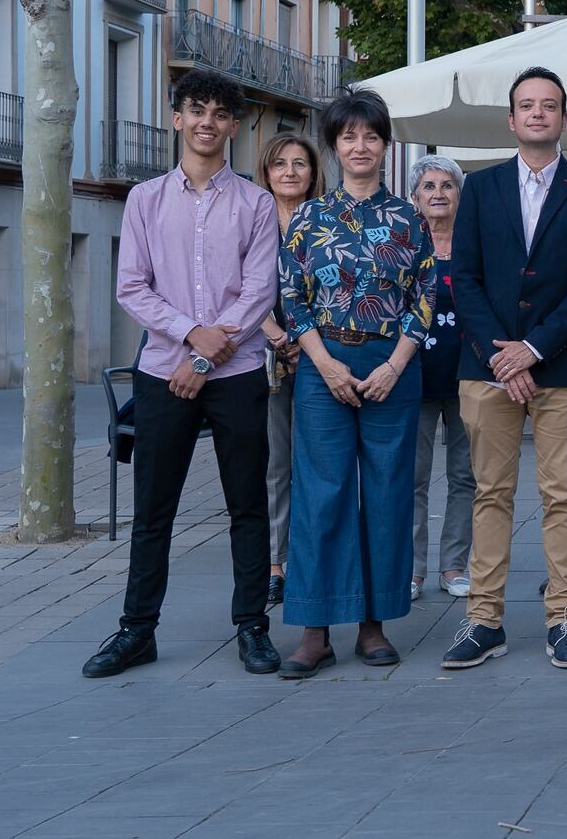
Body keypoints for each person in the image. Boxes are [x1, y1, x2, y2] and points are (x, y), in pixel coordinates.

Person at [85, 69, 281, 680]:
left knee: (247, 504)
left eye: (220, 114)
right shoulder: (145, 200)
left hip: (236, 373)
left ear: (233, 126)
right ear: (177, 118)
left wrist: (202, 357)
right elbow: (131, 288)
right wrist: (191, 338)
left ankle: (252, 626)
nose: (206, 122)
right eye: (196, 110)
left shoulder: (256, 203)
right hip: (161, 373)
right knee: (153, 507)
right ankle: (136, 631)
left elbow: (259, 292)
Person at [439, 67, 567, 673]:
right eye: (526, 106)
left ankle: (562, 618)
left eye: (549, 106)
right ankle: (483, 620)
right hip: (486, 367)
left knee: (563, 494)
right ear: (511, 120)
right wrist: (499, 352)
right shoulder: (480, 188)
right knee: (491, 492)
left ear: (563, 119)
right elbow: (464, 278)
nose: (538, 114)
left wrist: (532, 349)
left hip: (561, 367)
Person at [276, 87, 436, 678]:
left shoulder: (409, 218)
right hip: (325, 367)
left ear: (385, 145)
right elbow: (293, 299)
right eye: (349, 136)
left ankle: (374, 624)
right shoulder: (310, 219)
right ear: (335, 146)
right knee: (322, 493)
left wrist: (395, 364)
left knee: (389, 494)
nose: (360, 146)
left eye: (371, 136)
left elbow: (424, 296)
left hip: (394, 366)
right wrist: (324, 364)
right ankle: (315, 629)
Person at [254, 133, 320, 609]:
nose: (291, 172)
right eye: (281, 164)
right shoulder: (252, 220)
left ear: (314, 172)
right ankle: (276, 564)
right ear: (267, 172)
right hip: (265, 355)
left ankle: (314, 559)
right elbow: (231, 284)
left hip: (322, 355)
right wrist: (278, 335)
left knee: (321, 463)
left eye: (300, 163)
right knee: (277, 463)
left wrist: (309, 342)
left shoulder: (328, 221)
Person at [409, 155, 474, 602]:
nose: (438, 193)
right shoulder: (405, 244)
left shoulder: (475, 244)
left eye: (446, 185)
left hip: (468, 375)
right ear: (415, 197)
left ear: (458, 194)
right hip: (412, 375)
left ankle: (453, 566)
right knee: (411, 477)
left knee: (466, 477)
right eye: (429, 186)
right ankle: (411, 571)